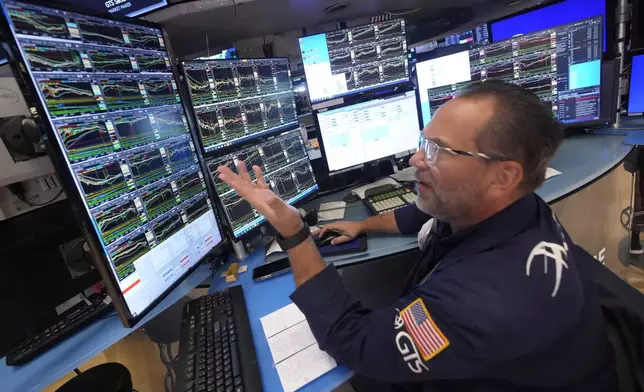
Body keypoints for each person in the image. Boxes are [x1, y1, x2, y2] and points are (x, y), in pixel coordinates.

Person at [217, 81, 616, 391]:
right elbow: (428, 213)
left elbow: (350, 340)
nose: (415, 159)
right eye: (424, 143)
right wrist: (363, 224)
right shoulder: (519, 209)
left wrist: (295, 233)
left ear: (503, 175)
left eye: (439, 150)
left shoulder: (478, 302)